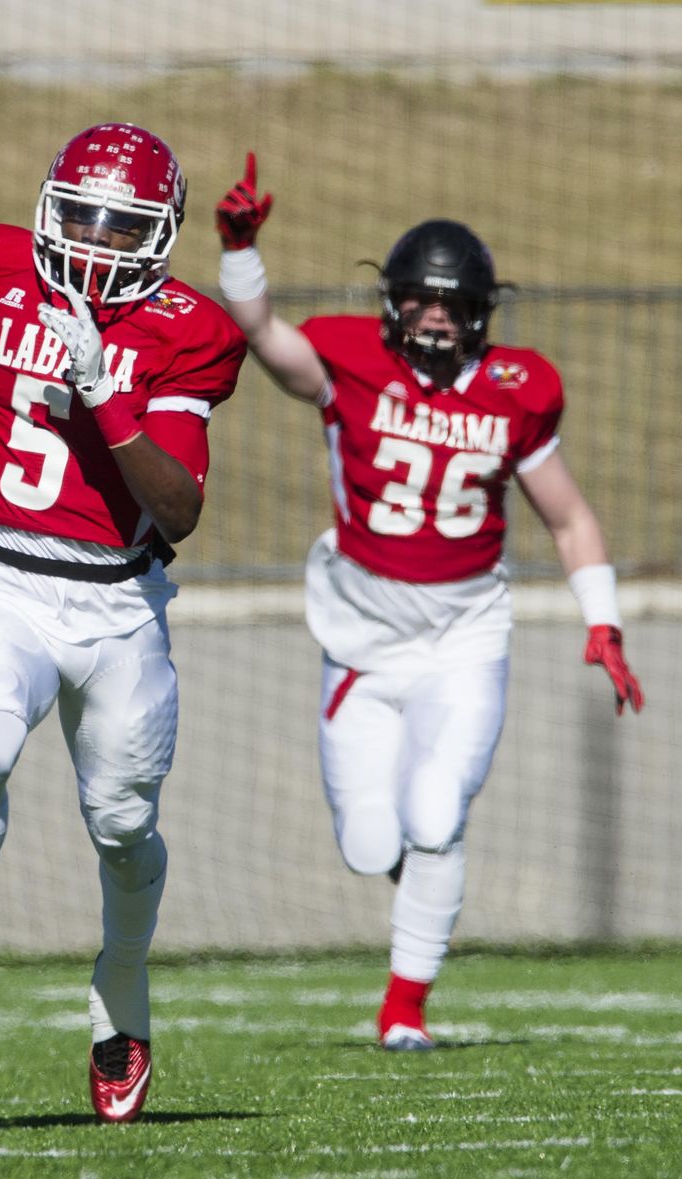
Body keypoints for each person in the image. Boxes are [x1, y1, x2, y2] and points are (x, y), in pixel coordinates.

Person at [0, 122, 246, 1121]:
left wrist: (107, 397)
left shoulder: (186, 330)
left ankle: (120, 989)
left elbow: (181, 509)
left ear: (160, 237)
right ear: (46, 203)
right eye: (78, 214)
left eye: (122, 226)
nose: (93, 239)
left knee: (122, 826)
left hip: (117, 602)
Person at [214, 154, 644, 1052]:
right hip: (363, 640)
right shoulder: (349, 361)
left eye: (454, 303)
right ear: (394, 300)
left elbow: (567, 518)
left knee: (439, 813)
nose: (437, 316)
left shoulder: (517, 390)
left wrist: (601, 619)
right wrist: (240, 252)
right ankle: (421, 877)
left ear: (483, 310)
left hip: (463, 633)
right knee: (374, 844)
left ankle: (404, 1007)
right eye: (423, 299)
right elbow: (262, 336)